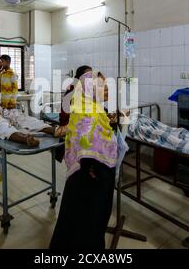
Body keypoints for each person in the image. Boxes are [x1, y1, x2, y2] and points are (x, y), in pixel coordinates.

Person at [50, 70, 117, 249]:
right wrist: (94, 169)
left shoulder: (93, 108)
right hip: (90, 179)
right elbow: (85, 143)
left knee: (77, 221)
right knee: (87, 225)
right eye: (102, 85)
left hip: (88, 176)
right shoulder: (87, 111)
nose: (108, 88)